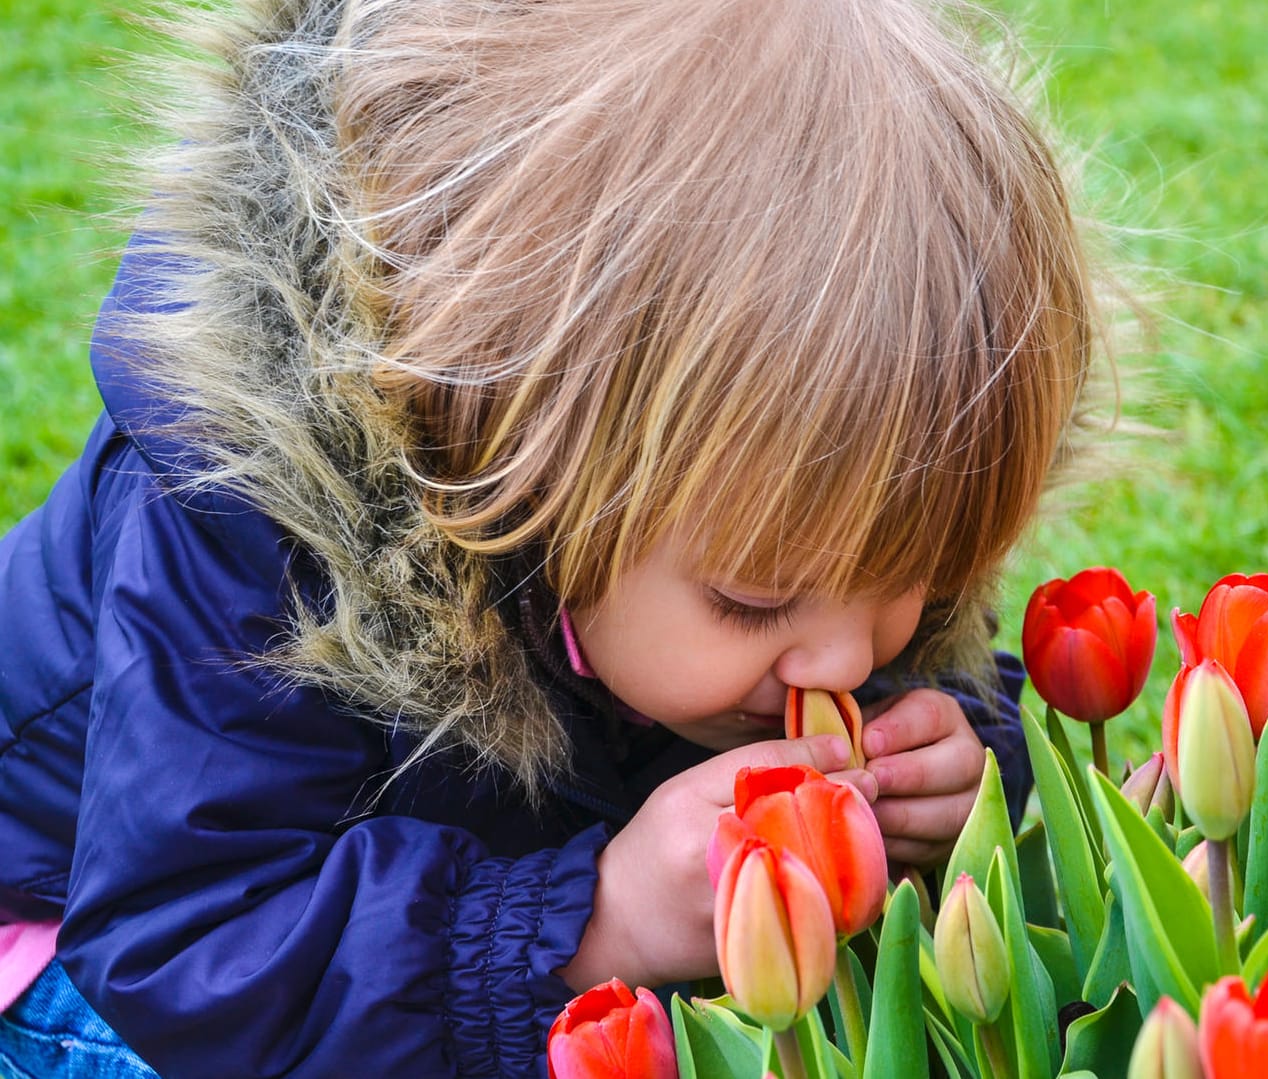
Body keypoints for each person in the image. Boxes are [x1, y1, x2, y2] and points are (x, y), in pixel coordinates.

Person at [0, 0, 1120, 1073]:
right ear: (514, 463)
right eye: (752, 597)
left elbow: (899, 667)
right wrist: (599, 922)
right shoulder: (249, 519)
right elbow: (189, 939)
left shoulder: (802, 488)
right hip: (92, 961)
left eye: (910, 583)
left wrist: (960, 756)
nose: (845, 660)